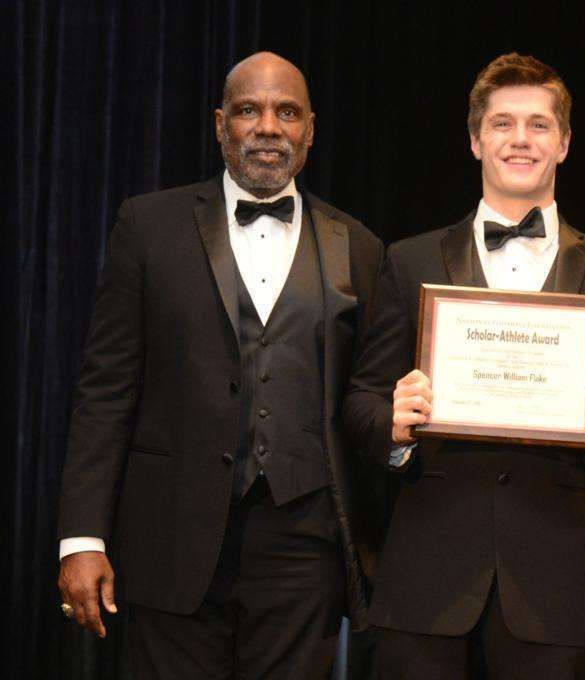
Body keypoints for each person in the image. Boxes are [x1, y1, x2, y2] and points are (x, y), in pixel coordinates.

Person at [56, 51, 384, 678]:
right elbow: (105, 393)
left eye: (287, 112)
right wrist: (82, 537)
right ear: (219, 124)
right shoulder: (147, 227)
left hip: (304, 550)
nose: (268, 127)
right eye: (248, 110)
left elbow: (365, 400)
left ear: (310, 129)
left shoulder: (361, 247)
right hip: (170, 536)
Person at [343, 53, 585, 679]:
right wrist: (395, 426)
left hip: (550, 586)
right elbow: (360, 401)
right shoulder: (410, 262)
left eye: (539, 125)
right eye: (502, 124)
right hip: (425, 582)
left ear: (564, 143)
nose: (521, 139)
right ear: (475, 139)